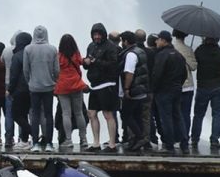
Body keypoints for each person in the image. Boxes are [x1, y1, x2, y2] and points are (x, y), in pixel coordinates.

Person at [151, 31, 190, 154]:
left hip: (163, 91)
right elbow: (184, 74)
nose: (156, 42)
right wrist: (178, 84)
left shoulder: (162, 55)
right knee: (178, 117)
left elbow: (156, 75)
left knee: (166, 118)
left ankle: (169, 145)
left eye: (158, 40)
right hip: (177, 90)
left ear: (163, 40)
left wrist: (153, 89)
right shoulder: (179, 55)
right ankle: (184, 145)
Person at [83, 23, 120, 152]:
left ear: (104, 34)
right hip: (94, 85)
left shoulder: (111, 47)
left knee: (108, 114)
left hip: (107, 84)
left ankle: (112, 144)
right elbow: (88, 63)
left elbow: (113, 65)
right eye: (95, 34)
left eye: (99, 34)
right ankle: (96, 143)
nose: (97, 37)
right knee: (92, 113)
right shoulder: (91, 46)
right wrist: (86, 62)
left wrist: (95, 61)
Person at [23, 25, 59, 153]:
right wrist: (54, 80)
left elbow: (26, 70)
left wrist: (30, 82)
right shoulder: (52, 49)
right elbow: (56, 70)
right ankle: (49, 143)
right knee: (49, 115)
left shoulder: (28, 49)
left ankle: (35, 144)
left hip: (34, 87)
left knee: (35, 116)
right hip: (49, 86)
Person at [191, 37, 220, 149]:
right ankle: (214, 140)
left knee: (198, 115)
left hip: (203, 86)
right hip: (219, 86)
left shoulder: (199, 50)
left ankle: (194, 139)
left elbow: (194, 59)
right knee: (217, 114)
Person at [55, 34, 88, 149]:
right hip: (76, 85)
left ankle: (68, 140)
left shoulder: (58, 56)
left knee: (66, 114)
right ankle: (83, 139)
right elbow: (81, 63)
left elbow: (55, 70)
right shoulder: (76, 54)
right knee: (79, 113)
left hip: (62, 87)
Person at [120, 31, 150, 152]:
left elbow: (130, 72)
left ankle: (139, 137)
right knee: (137, 115)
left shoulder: (130, 55)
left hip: (134, 90)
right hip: (142, 89)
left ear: (126, 41)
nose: (122, 43)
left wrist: (127, 89)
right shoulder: (141, 51)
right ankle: (137, 140)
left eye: (123, 40)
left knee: (125, 115)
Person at [8, 32, 33, 150]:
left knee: (16, 115)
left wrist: (10, 90)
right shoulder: (32, 54)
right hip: (32, 89)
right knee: (24, 115)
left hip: (19, 89)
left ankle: (34, 134)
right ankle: (24, 140)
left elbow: (14, 75)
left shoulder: (17, 56)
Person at [172, 30, 197, 136]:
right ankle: (185, 136)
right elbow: (193, 67)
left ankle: (175, 136)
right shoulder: (188, 49)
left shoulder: (171, 48)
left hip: (174, 86)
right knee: (186, 114)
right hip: (188, 86)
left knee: (174, 113)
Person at [1, 31, 21, 147]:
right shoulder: (25, 50)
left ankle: (9, 138)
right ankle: (22, 138)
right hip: (21, 84)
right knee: (22, 113)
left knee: (9, 113)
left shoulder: (6, 50)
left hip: (8, 83)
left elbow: (2, 62)